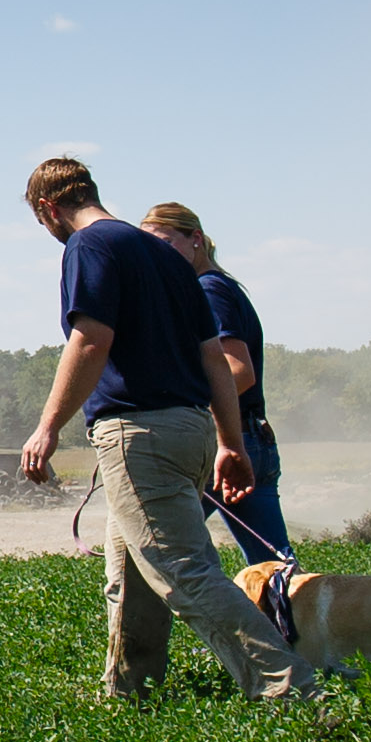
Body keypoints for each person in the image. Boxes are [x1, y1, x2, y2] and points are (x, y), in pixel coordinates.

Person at [13, 157, 298, 698]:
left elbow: (91, 340)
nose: (48, 232)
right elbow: (213, 358)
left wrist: (47, 428)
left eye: (41, 222)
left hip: (138, 433)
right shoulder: (169, 259)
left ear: (49, 208)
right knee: (131, 576)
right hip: (190, 429)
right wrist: (230, 443)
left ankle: (293, 688)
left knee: (184, 571)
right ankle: (128, 691)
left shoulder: (90, 246)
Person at [145, 202, 292, 567]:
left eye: (166, 243)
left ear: (195, 239)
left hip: (224, 442)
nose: (159, 255)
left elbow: (238, 371)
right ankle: (293, 623)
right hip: (251, 438)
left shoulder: (208, 291)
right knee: (273, 564)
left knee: (161, 552)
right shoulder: (220, 286)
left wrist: (182, 410)